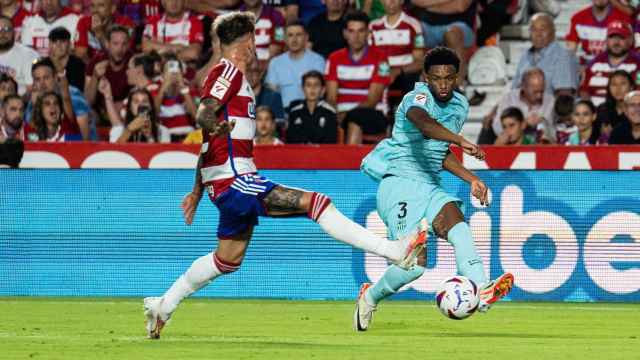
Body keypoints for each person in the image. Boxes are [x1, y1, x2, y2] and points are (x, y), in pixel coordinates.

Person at [143, 11, 426, 340]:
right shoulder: (229, 71)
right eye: (254, 40)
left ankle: (163, 305)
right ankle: (394, 251)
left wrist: (196, 190)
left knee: (227, 259)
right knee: (316, 202)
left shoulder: (230, 76)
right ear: (247, 42)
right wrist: (209, 123)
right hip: (236, 181)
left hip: (223, 182)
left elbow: (208, 145)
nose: (256, 46)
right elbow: (206, 111)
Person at [355, 47, 514, 331]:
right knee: (414, 266)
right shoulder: (415, 98)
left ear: (457, 78)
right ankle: (370, 296)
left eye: (449, 78)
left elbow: (437, 151)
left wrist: (472, 179)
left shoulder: (460, 106)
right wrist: (460, 139)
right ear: (425, 77)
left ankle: (483, 289)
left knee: (459, 227)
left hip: (431, 186)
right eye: (436, 78)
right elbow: (425, 126)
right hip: (400, 184)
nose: (442, 84)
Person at [325, 10, 391, 144]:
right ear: (345, 33)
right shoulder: (334, 58)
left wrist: (347, 115)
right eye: (351, 31)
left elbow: (372, 100)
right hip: (340, 115)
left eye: (361, 31)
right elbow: (331, 98)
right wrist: (337, 115)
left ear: (368, 33)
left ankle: (351, 164)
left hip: (374, 114)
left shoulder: (381, 59)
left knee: (354, 120)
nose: (356, 36)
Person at [511, 13, 579, 97]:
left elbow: (564, 98)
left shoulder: (563, 56)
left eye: (543, 29)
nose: (538, 34)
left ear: (553, 31)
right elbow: (513, 90)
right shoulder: (525, 56)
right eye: (534, 29)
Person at [265, 21, 325, 110]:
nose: (294, 39)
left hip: (310, 112)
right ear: (284, 39)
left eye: (298, 35)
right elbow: (271, 94)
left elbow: (321, 92)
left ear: (306, 38)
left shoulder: (318, 61)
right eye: (290, 35)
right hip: (283, 114)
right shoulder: (275, 63)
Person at [369, 0, 424, 94]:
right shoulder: (373, 26)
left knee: (412, 79)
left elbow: (419, 61)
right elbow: (368, 57)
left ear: (402, 1)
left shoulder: (414, 25)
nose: (391, 2)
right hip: (380, 74)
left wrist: (397, 71)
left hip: (405, 74)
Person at [580, 21, 640, 106]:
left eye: (621, 37)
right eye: (612, 37)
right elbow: (584, 91)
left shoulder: (638, 63)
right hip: (595, 114)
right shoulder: (594, 63)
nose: (616, 42)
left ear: (630, 40)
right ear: (606, 40)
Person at [492, 68, 555, 143]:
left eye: (542, 91)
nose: (539, 96)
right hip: (512, 144)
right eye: (535, 92)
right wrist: (524, 124)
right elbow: (497, 127)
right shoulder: (509, 99)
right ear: (523, 87)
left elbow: (554, 131)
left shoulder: (550, 101)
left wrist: (544, 123)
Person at [565, 0, 631, 64]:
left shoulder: (624, 18)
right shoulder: (577, 18)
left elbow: (631, 50)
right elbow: (570, 52)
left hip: (615, 66)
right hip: (586, 66)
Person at [286, 70, 337, 144]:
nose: (312, 89)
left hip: (321, 154)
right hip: (299, 153)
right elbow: (290, 139)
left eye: (316, 85)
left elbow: (330, 141)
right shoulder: (294, 111)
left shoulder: (330, 112)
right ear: (302, 89)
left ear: (323, 90)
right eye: (308, 85)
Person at [0, 16, 40, 95]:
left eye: (7, 29)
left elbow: (33, 90)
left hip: (19, 103)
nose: (2, 33)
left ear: (14, 33)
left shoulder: (29, 55)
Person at [48, 27, 85, 91]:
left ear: (70, 44)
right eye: (54, 41)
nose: (58, 45)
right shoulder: (44, 64)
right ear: (49, 45)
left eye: (62, 41)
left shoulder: (78, 64)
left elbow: (77, 91)